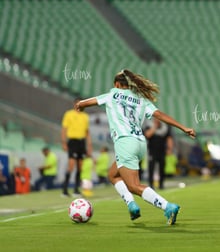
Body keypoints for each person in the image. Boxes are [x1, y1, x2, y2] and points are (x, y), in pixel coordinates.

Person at [74, 69, 195, 225]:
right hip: (140, 143)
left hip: (125, 142)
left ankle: (168, 206)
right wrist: (183, 127)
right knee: (113, 175)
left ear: (117, 84)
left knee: (134, 186)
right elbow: (160, 115)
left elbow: (87, 102)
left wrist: (80, 105)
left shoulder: (113, 94)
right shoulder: (140, 99)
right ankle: (132, 205)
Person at [61, 98, 93, 197]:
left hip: (81, 142)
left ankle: (76, 189)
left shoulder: (85, 116)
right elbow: (64, 129)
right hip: (73, 141)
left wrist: (89, 145)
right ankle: (65, 190)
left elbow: (87, 132)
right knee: (71, 166)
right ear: (74, 104)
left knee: (80, 166)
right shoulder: (68, 114)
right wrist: (64, 142)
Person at [144, 118, 173, 189]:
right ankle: (151, 184)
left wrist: (170, 148)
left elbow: (169, 138)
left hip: (162, 150)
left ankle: (161, 184)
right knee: (151, 167)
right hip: (152, 150)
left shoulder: (165, 127)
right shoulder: (149, 125)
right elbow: (148, 134)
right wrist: (155, 126)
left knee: (162, 167)